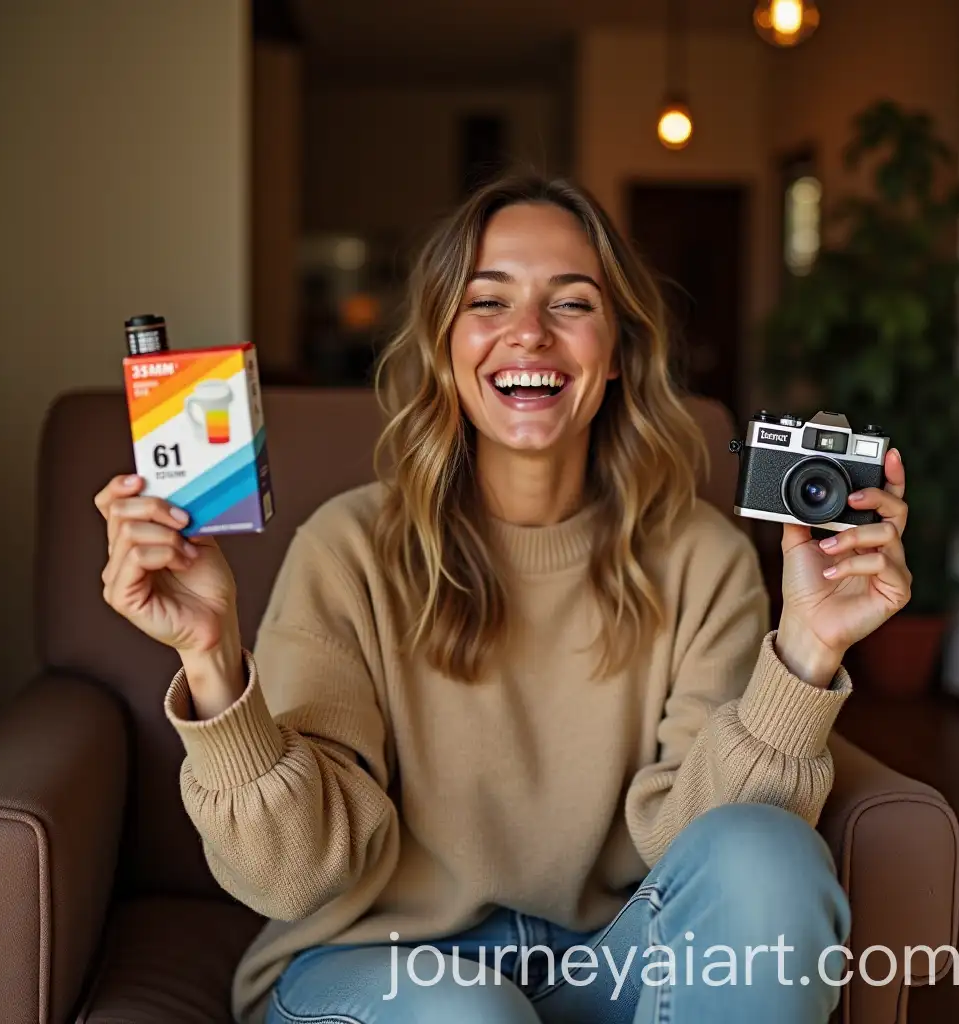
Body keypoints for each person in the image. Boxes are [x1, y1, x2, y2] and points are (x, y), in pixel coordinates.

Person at [95, 176, 912, 1024]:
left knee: (769, 854)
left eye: (571, 304)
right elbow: (293, 877)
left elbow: (700, 852)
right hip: (379, 974)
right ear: (445, 342)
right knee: (468, 1012)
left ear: (620, 347)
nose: (529, 333)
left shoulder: (702, 557)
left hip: (602, 969)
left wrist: (808, 654)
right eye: (489, 301)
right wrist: (210, 659)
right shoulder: (349, 549)